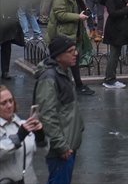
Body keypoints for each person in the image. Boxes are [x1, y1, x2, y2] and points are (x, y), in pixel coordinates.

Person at [34, 36, 84, 184]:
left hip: (68, 144)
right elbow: (47, 115)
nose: (75, 53)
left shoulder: (62, 72)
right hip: (61, 149)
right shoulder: (49, 78)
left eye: (75, 49)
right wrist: (61, 146)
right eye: (70, 51)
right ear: (58, 55)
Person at [46, 0, 93, 95]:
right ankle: (63, 88)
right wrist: (78, 17)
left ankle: (78, 85)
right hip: (63, 33)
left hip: (73, 31)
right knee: (62, 62)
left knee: (74, 59)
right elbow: (60, 14)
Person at [0, 84, 42, 184]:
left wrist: (41, 137)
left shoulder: (23, 124)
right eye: (3, 103)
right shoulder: (23, 129)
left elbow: (42, 152)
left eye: (11, 101)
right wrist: (19, 137)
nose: (9, 106)